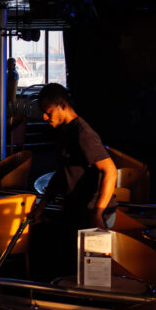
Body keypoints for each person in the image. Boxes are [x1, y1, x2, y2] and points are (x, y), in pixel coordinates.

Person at [37, 83, 117, 275]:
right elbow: (61, 173)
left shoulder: (83, 134)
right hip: (78, 210)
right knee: (76, 272)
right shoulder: (65, 132)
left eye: (48, 111)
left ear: (62, 105)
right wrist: (42, 204)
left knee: (95, 277)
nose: (44, 117)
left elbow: (111, 171)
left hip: (93, 213)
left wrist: (98, 212)